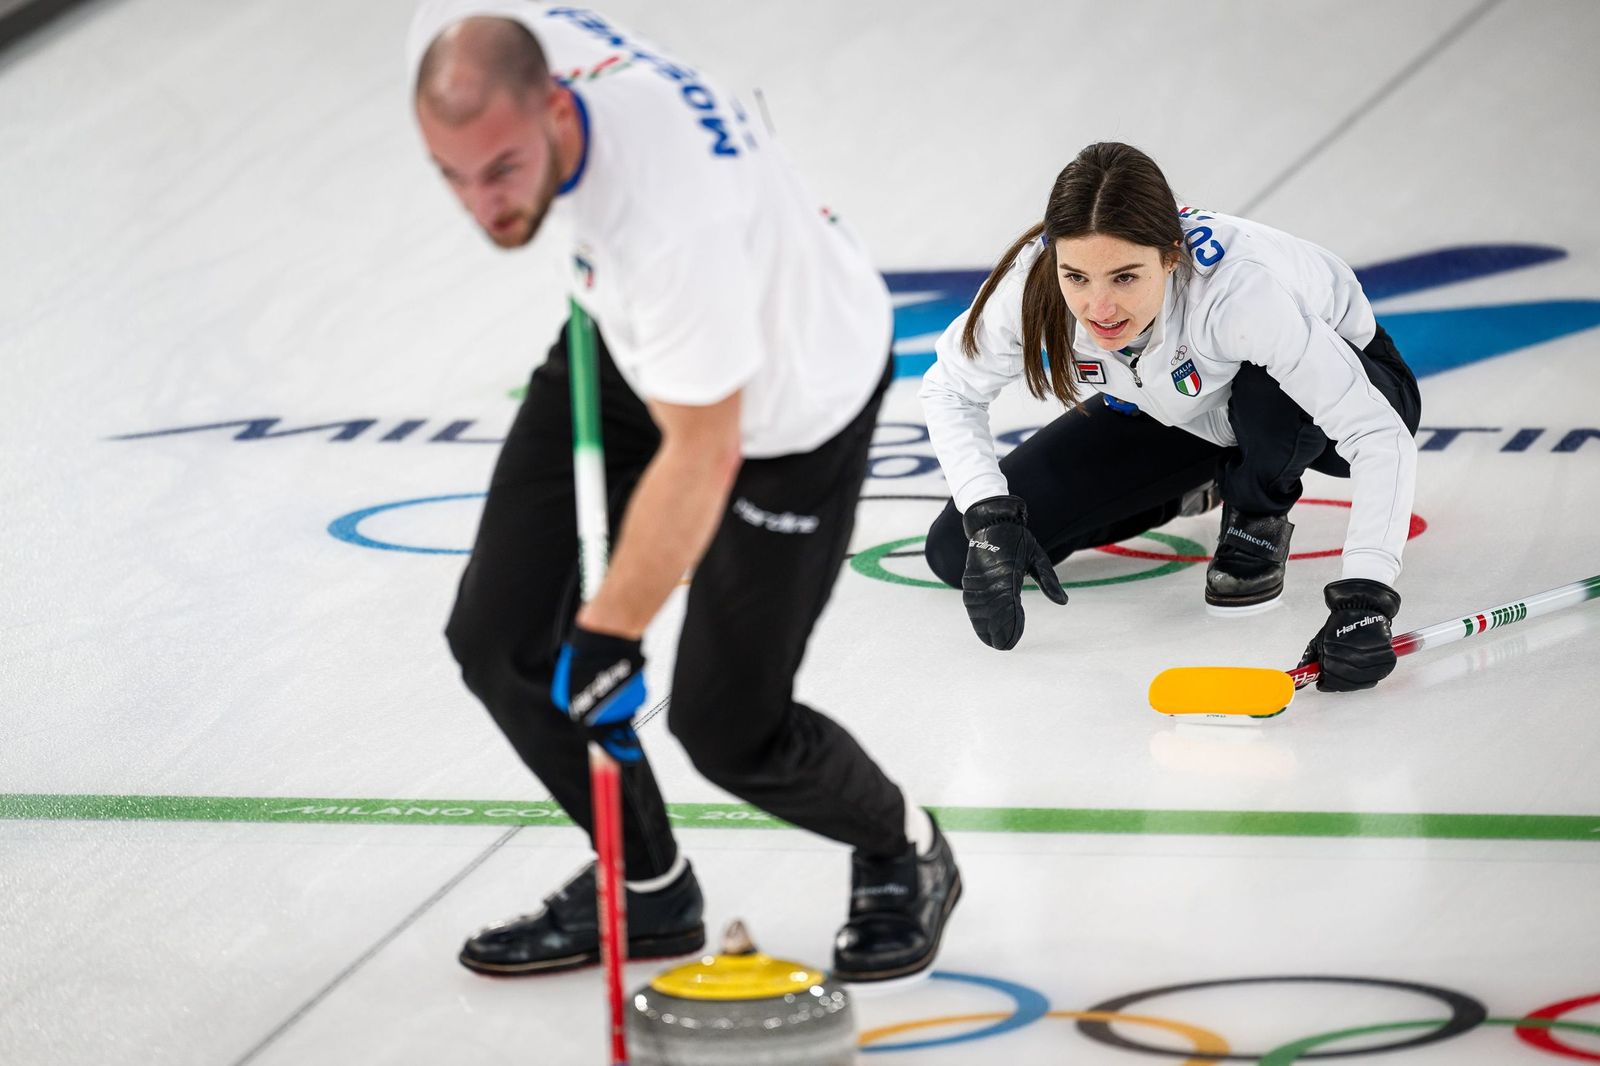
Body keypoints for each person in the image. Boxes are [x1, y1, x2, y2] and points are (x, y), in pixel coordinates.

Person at [404, 1, 959, 984]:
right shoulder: (468, 41)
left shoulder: (670, 220)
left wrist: (612, 634)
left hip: (791, 400)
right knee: (497, 640)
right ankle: (649, 888)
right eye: (452, 175)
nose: (480, 205)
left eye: (502, 171)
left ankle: (902, 845)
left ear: (558, 106)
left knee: (726, 725)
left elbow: (703, 451)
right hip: (628, 341)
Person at [919, 142, 1421, 692]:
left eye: (1126, 278)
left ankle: (1257, 510)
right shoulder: (1033, 285)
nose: (1099, 309)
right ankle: (1198, 482)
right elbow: (949, 388)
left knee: (1266, 391)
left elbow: (1376, 434)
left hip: (1339, 395)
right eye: (1077, 278)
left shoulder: (1238, 291)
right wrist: (989, 514)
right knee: (955, 551)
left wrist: (1366, 597)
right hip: (1179, 410)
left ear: (1171, 256)